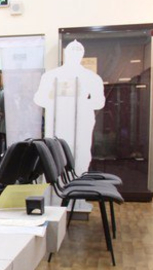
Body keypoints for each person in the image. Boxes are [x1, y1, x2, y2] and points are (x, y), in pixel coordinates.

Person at [34, 40, 105, 175]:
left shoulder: (91, 77)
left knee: (81, 156)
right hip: (57, 123)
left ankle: (78, 183)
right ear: (66, 54)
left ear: (82, 54)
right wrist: (56, 100)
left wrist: (81, 102)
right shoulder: (50, 76)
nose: (75, 55)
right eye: (72, 52)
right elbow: (39, 98)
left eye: (78, 52)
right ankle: (58, 184)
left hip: (81, 124)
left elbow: (99, 102)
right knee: (56, 156)